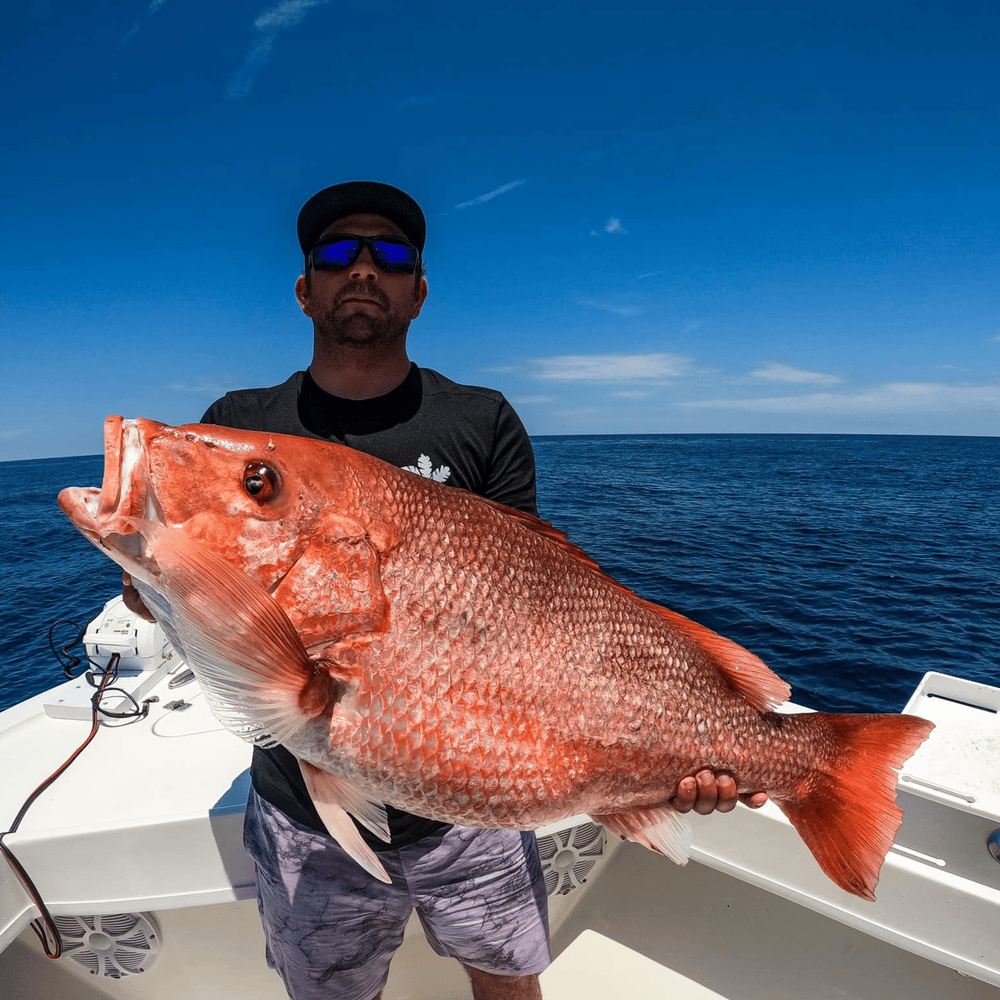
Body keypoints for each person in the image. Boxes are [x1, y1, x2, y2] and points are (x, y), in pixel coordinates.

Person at [124, 181, 767, 1000]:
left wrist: (671, 750)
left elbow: (537, 607)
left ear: (419, 292)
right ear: (304, 288)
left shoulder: (480, 418)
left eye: (389, 255)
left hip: (475, 812)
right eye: (336, 254)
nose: (363, 269)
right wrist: (154, 577)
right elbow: (185, 600)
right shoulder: (245, 419)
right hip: (301, 805)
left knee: (508, 983)